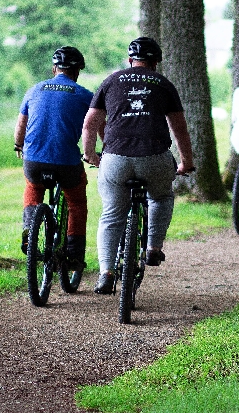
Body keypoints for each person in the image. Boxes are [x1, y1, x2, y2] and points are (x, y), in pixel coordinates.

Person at [82, 36, 195, 294]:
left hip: (115, 158)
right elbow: (179, 129)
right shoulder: (164, 84)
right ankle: (153, 248)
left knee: (111, 214)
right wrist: (186, 162)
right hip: (155, 158)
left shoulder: (111, 81)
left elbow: (90, 123)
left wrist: (90, 154)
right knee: (162, 197)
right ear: (155, 62)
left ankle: (106, 273)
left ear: (130, 60)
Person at [14, 46, 93, 269]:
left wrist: (18, 145)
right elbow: (97, 126)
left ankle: (30, 233)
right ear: (77, 71)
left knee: (33, 186)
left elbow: (21, 124)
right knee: (76, 202)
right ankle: (74, 254)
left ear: (54, 68)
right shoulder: (85, 95)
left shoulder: (33, 90)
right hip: (67, 163)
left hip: (34, 161)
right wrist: (100, 151)